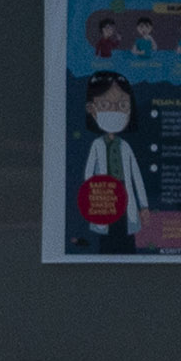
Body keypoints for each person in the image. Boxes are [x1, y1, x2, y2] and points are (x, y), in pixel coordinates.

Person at [74, 71, 151, 254]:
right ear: (92, 109)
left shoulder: (125, 146)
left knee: (126, 234)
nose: (114, 111)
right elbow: (89, 173)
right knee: (107, 236)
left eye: (122, 105)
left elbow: (136, 177)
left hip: (125, 193)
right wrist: (95, 196)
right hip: (105, 193)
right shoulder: (96, 144)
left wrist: (144, 206)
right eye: (105, 105)